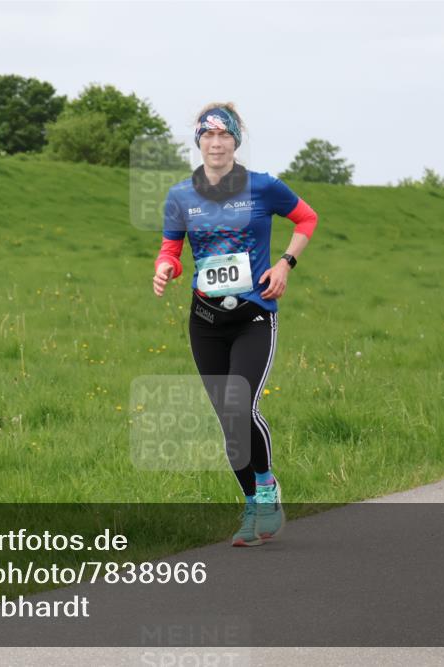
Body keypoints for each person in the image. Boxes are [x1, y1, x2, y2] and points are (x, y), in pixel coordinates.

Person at [152, 103, 318, 547]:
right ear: (199, 143)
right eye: (208, 136)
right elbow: (171, 247)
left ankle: (266, 489)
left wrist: (286, 263)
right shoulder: (181, 196)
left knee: (239, 406)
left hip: (253, 315)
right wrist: (166, 266)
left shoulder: (263, 187)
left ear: (236, 142)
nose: (217, 143)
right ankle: (251, 504)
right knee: (227, 420)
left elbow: (307, 218)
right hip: (205, 320)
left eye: (225, 136)